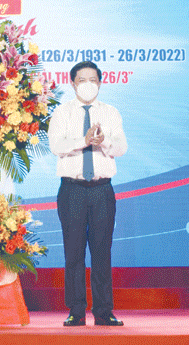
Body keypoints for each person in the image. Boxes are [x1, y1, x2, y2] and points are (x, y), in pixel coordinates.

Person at [48, 61, 128, 327]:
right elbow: (56, 146)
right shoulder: (62, 113)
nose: (87, 84)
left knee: (102, 251)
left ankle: (104, 311)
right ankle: (76, 311)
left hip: (102, 190)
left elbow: (121, 148)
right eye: (82, 80)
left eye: (92, 79)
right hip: (72, 190)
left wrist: (102, 140)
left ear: (100, 82)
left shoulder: (111, 113)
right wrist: (83, 141)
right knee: (74, 253)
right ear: (72, 83)